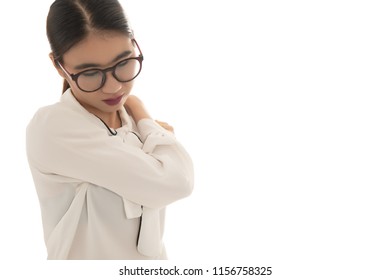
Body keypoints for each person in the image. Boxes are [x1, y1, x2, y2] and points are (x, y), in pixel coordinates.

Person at [26, 0, 194, 260]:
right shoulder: (53, 127)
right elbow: (177, 183)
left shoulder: (132, 122)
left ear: (134, 45)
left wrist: (139, 115)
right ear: (58, 66)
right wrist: (144, 116)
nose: (114, 87)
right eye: (90, 73)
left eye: (123, 62)